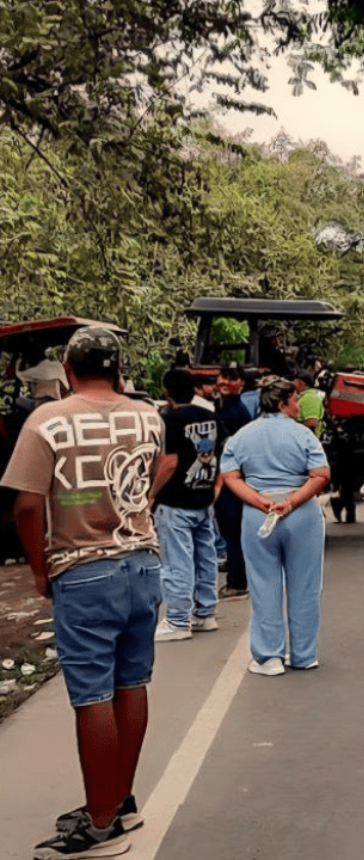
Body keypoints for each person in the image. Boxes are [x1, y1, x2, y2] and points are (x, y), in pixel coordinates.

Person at [2, 327, 171, 860]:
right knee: (133, 682)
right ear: (117, 369)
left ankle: (100, 827)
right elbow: (150, 476)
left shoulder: (47, 421)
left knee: (92, 695)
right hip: (144, 564)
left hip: (84, 570)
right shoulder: (148, 415)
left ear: (68, 370)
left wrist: (39, 569)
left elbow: (27, 507)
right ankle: (118, 802)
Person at [220, 376, 330, 675]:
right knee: (305, 585)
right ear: (282, 403)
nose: (298, 405)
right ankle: (304, 654)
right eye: (294, 400)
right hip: (301, 514)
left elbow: (231, 476)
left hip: (259, 515)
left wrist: (258, 501)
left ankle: (269, 658)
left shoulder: (243, 435)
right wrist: (292, 501)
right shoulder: (304, 435)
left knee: (264, 584)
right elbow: (320, 475)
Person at [153, 369, 226, 642]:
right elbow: (222, 453)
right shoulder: (210, 416)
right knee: (205, 556)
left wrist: (150, 494)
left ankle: (178, 620)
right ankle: (205, 614)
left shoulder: (168, 419)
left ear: (167, 392)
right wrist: (216, 487)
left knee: (176, 561)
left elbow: (169, 462)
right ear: (195, 390)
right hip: (203, 496)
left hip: (175, 500)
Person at [215, 365, 254, 598]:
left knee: (233, 532)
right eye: (222, 376)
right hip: (226, 478)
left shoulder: (237, 413)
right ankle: (236, 575)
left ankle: (238, 583)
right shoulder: (223, 407)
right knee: (230, 532)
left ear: (240, 384)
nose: (224, 382)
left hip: (233, 479)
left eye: (231, 378)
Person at [292, 371, 324, 438]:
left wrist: (291, 428)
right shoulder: (304, 396)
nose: (292, 384)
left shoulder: (309, 397)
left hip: (308, 440)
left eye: (294, 381)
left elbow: (311, 423)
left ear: (301, 384)